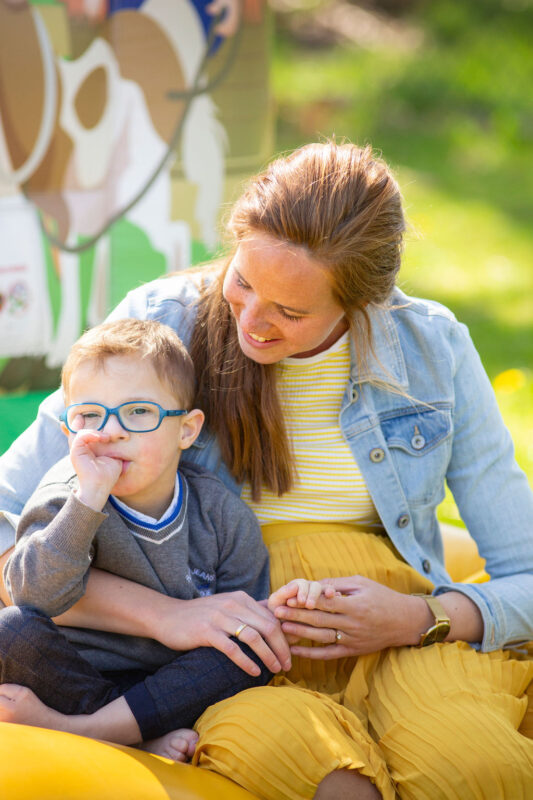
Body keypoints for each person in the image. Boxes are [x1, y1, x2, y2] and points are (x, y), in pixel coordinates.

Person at [0, 141, 532, 799]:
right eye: (244, 282)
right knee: (327, 780)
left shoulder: (432, 346)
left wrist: (419, 617)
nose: (251, 322)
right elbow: (9, 528)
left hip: (400, 637)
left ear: (361, 303)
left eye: (290, 311)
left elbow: (525, 569)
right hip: (233, 650)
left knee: (474, 771)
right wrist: (167, 617)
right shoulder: (160, 326)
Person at [0, 318, 275, 761]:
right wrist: (88, 498)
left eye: (139, 412)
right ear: (69, 433)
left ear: (187, 430)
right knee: (10, 630)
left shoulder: (220, 515)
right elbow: (33, 597)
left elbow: (245, 615)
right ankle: (133, 736)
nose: (111, 431)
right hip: (72, 675)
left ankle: (95, 731)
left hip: (169, 685)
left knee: (251, 647)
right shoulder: (65, 496)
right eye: (90, 416)